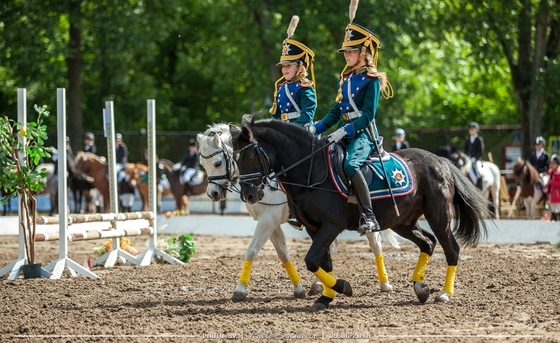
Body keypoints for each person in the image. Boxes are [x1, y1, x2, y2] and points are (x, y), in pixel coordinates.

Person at [307, 1, 393, 234]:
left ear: (363, 53)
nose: (346, 55)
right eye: (345, 51)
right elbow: (336, 111)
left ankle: (369, 215)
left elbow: (367, 116)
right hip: (342, 131)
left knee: (350, 165)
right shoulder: (345, 78)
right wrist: (317, 127)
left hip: (363, 134)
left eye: (351, 51)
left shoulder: (372, 80)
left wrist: (345, 131)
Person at [269, 15, 316, 128]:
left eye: (288, 66)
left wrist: (288, 130)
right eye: (283, 66)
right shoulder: (281, 88)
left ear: (300, 67)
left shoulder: (305, 88)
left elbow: (307, 116)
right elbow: (275, 117)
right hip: (283, 133)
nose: (284, 69)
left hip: (301, 133)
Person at [546, 154, 560, 221]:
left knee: (557, 210)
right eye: (551, 163)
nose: (552, 165)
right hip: (551, 194)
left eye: (554, 163)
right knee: (552, 211)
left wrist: (551, 182)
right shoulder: (550, 172)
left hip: (557, 195)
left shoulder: (558, 173)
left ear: (557, 164)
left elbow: (558, 184)